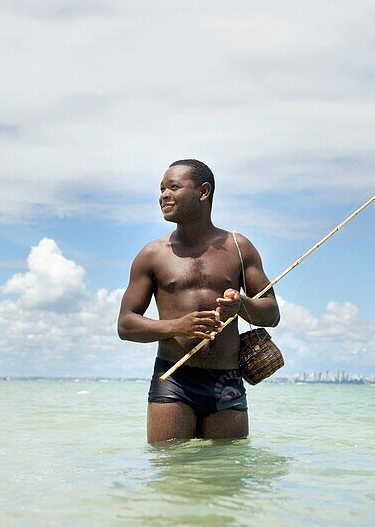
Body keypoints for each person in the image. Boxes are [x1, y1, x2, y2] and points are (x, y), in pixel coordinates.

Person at [118, 159, 280, 443]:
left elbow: (272, 314)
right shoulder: (152, 254)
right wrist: (177, 326)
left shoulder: (239, 248)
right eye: (161, 189)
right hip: (174, 381)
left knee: (225, 475)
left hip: (226, 381)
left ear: (203, 192)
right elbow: (126, 324)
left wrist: (241, 304)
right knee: (171, 477)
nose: (163, 195)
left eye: (174, 187)